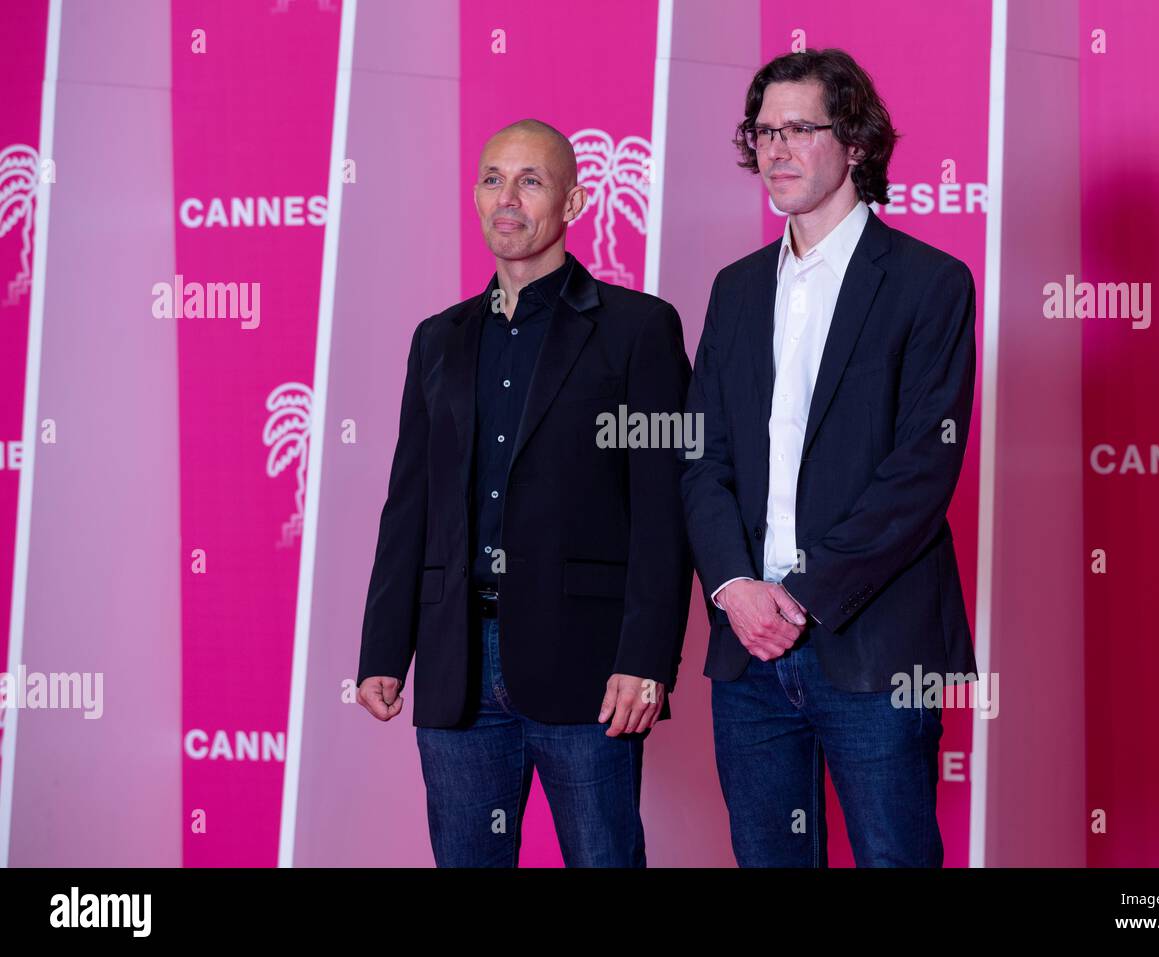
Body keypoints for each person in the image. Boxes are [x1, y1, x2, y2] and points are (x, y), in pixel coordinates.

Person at [357, 119, 692, 868]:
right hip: (456, 666)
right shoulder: (435, 339)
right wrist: (385, 649)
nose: (507, 198)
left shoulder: (638, 330)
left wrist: (647, 659)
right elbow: (408, 502)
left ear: (573, 201)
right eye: (492, 179)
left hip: (589, 663)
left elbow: (663, 511)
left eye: (531, 181)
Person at [681, 49, 978, 867]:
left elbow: (921, 472)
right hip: (747, 649)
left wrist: (803, 597)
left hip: (873, 641)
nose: (775, 149)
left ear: (854, 143)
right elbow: (700, 458)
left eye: (800, 129)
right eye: (764, 131)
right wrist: (737, 590)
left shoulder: (930, 283)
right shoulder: (735, 289)